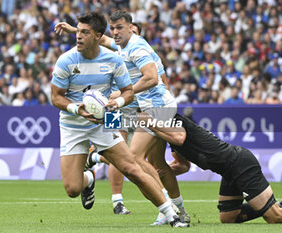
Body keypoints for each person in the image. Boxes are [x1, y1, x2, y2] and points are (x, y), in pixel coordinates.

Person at [50, 12, 188, 228]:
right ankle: (95, 172)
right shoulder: (110, 48)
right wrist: (74, 30)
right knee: (73, 189)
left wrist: (119, 99)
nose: (115, 33)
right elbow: (56, 95)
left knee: (133, 162)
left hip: (149, 107)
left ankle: (171, 213)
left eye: (119, 28)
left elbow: (150, 79)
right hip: (91, 118)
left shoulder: (135, 48)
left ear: (131, 28)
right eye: (112, 28)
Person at [138, 112, 282, 224]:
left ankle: (279, 208)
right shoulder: (167, 133)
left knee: (275, 217)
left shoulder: (172, 120)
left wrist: (151, 124)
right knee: (228, 217)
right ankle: (281, 203)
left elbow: (180, 138)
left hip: (239, 163)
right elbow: (183, 166)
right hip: (228, 170)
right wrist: (162, 172)